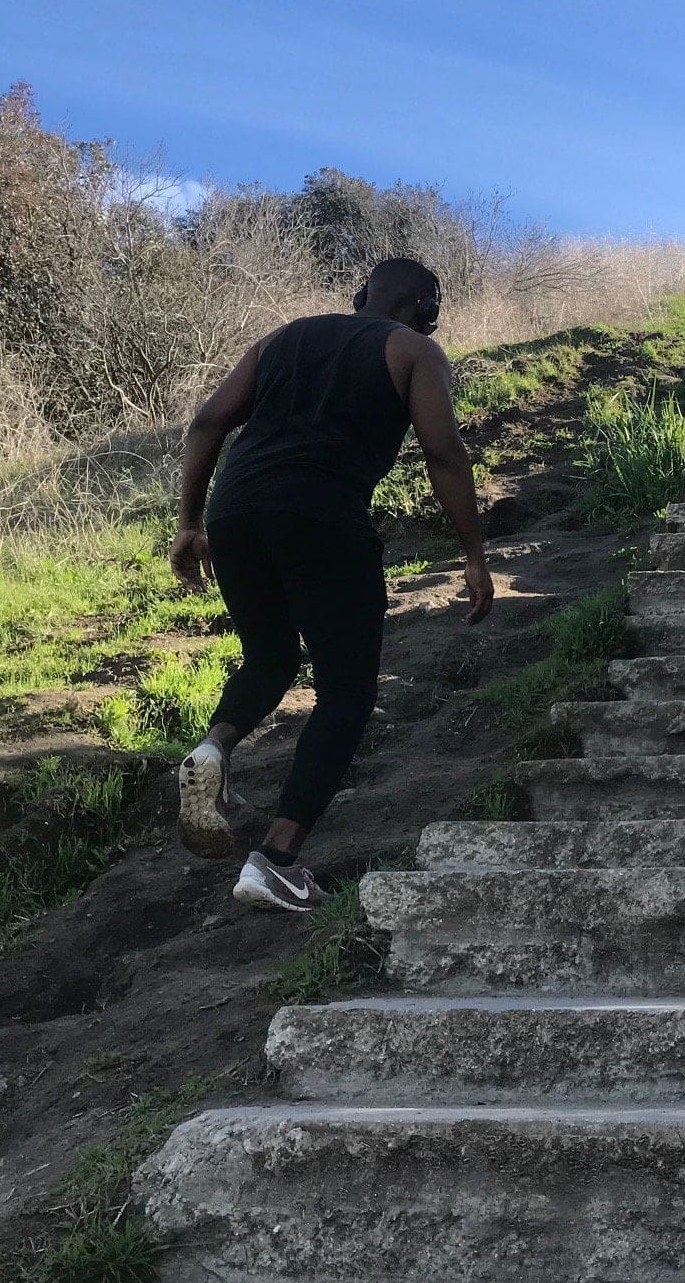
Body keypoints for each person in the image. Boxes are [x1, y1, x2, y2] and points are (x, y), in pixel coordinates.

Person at [168, 257, 494, 912]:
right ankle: (277, 862)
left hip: (235, 512)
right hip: (322, 515)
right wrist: (473, 553)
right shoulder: (415, 351)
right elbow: (442, 450)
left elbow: (208, 422)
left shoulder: (283, 338)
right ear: (428, 310)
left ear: (359, 295)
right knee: (345, 696)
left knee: (271, 657)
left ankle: (213, 748)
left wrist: (187, 523)